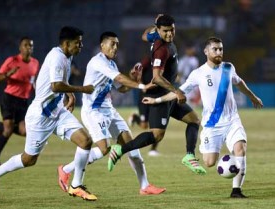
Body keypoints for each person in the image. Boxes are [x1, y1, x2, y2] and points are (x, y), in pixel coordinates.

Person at [0, 26, 98, 201]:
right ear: (67, 43)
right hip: (40, 116)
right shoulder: (57, 57)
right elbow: (55, 86)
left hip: (57, 111)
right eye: (78, 42)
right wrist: (82, 89)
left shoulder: (67, 55)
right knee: (29, 159)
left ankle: (76, 185)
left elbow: (61, 81)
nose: (81, 45)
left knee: (85, 141)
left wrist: (70, 95)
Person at [142, 37, 263, 198]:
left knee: (240, 149)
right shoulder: (198, 73)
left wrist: (253, 97)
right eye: (215, 49)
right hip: (212, 125)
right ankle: (225, 160)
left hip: (232, 120)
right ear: (206, 51)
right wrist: (156, 100)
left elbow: (240, 83)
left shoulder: (229, 68)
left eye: (221, 49)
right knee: (209, 162)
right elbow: (179, 91)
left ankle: (236, 190)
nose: (219, 52)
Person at [57, 31, 166, 196]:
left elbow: (121, 88)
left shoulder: (111, 65)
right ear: (102, 46)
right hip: (94, 112)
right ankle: (66, 169)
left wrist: (134, 80)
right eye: (112, 44)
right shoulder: (97, 62)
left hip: (109, 111)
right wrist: (142, 86)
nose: (115, 47)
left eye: (117, 45)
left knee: (132, 146)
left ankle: (144, 186)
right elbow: (121, 79)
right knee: (103, 149)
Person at [108, 14, 206, 175]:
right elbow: (157, 78)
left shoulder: (156, 36)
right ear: (160, 31)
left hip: (168, 93)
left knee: (194, 120)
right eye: (166, 31)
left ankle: (189, 156)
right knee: (156, 135)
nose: (170, 34)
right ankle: (120, 149)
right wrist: (177, 91)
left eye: (172, 30)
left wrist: (155, 25)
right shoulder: (162, 50)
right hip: (161, 95)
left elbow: (144, 35)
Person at [0, 37, 39, 168]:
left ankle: (0, 126)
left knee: (24, 132)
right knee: (9, 128)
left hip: (23, 101)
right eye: (26, 45)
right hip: (9, 98)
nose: (29, 47)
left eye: (31, 45)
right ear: (20, 48)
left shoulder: (35, 63)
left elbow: (32, 80)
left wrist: (36, 89)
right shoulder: (12, 61)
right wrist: (8, 74)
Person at [127, 56, 160, 157]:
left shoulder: (164, 61)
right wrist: (141, 84)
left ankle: (153, 150)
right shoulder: (147, 61)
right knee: (144, 126)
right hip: (144, 98)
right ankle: (135, 117)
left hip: (156, 97)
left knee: (157, 126)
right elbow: (133, 72)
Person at [177, 43, 201, 107]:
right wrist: (179, 80)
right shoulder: (183, 60)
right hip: (185, 80)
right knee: (187, 96)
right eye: (190, 49)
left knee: (191, 97)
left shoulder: (195, 60)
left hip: (193, 81)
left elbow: (197, 71)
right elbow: (179, 72)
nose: (192, 51)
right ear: (187, 50)